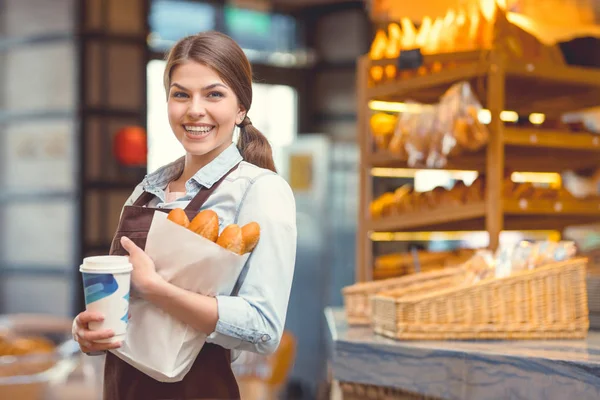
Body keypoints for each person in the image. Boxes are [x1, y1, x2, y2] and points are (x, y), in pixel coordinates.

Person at [72, 31, 297, 399]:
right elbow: (124, 309)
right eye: (181, 94)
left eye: (214, 94)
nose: (195, 109)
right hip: (121, 388)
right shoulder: (147, 190)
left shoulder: (259, 190)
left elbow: (264, 328)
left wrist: (156, 289)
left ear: (241, 108)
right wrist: (89, 334)